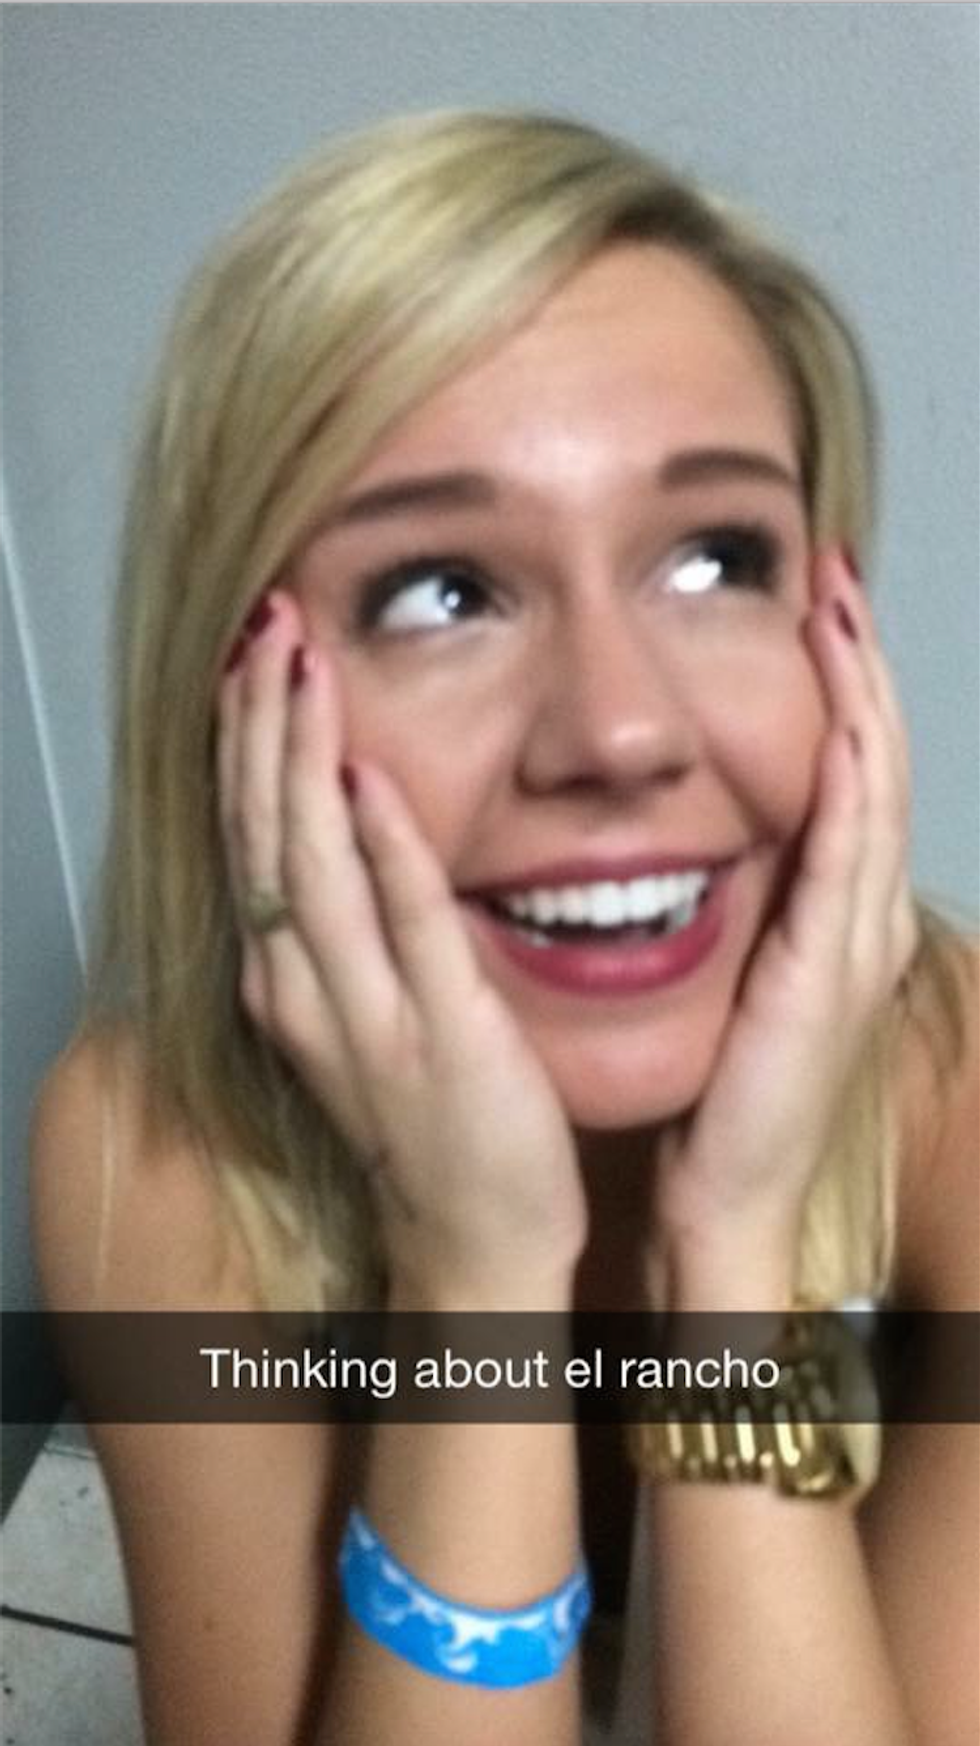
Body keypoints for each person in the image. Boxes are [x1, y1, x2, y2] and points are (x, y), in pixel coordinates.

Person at [30, 109, 977, 1746]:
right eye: (442, 591)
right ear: (242, 694)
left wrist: (733, 1257)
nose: (619, 728)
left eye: (714, 559)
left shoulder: (958, 1086)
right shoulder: (152, 1145)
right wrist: (477, 1272)